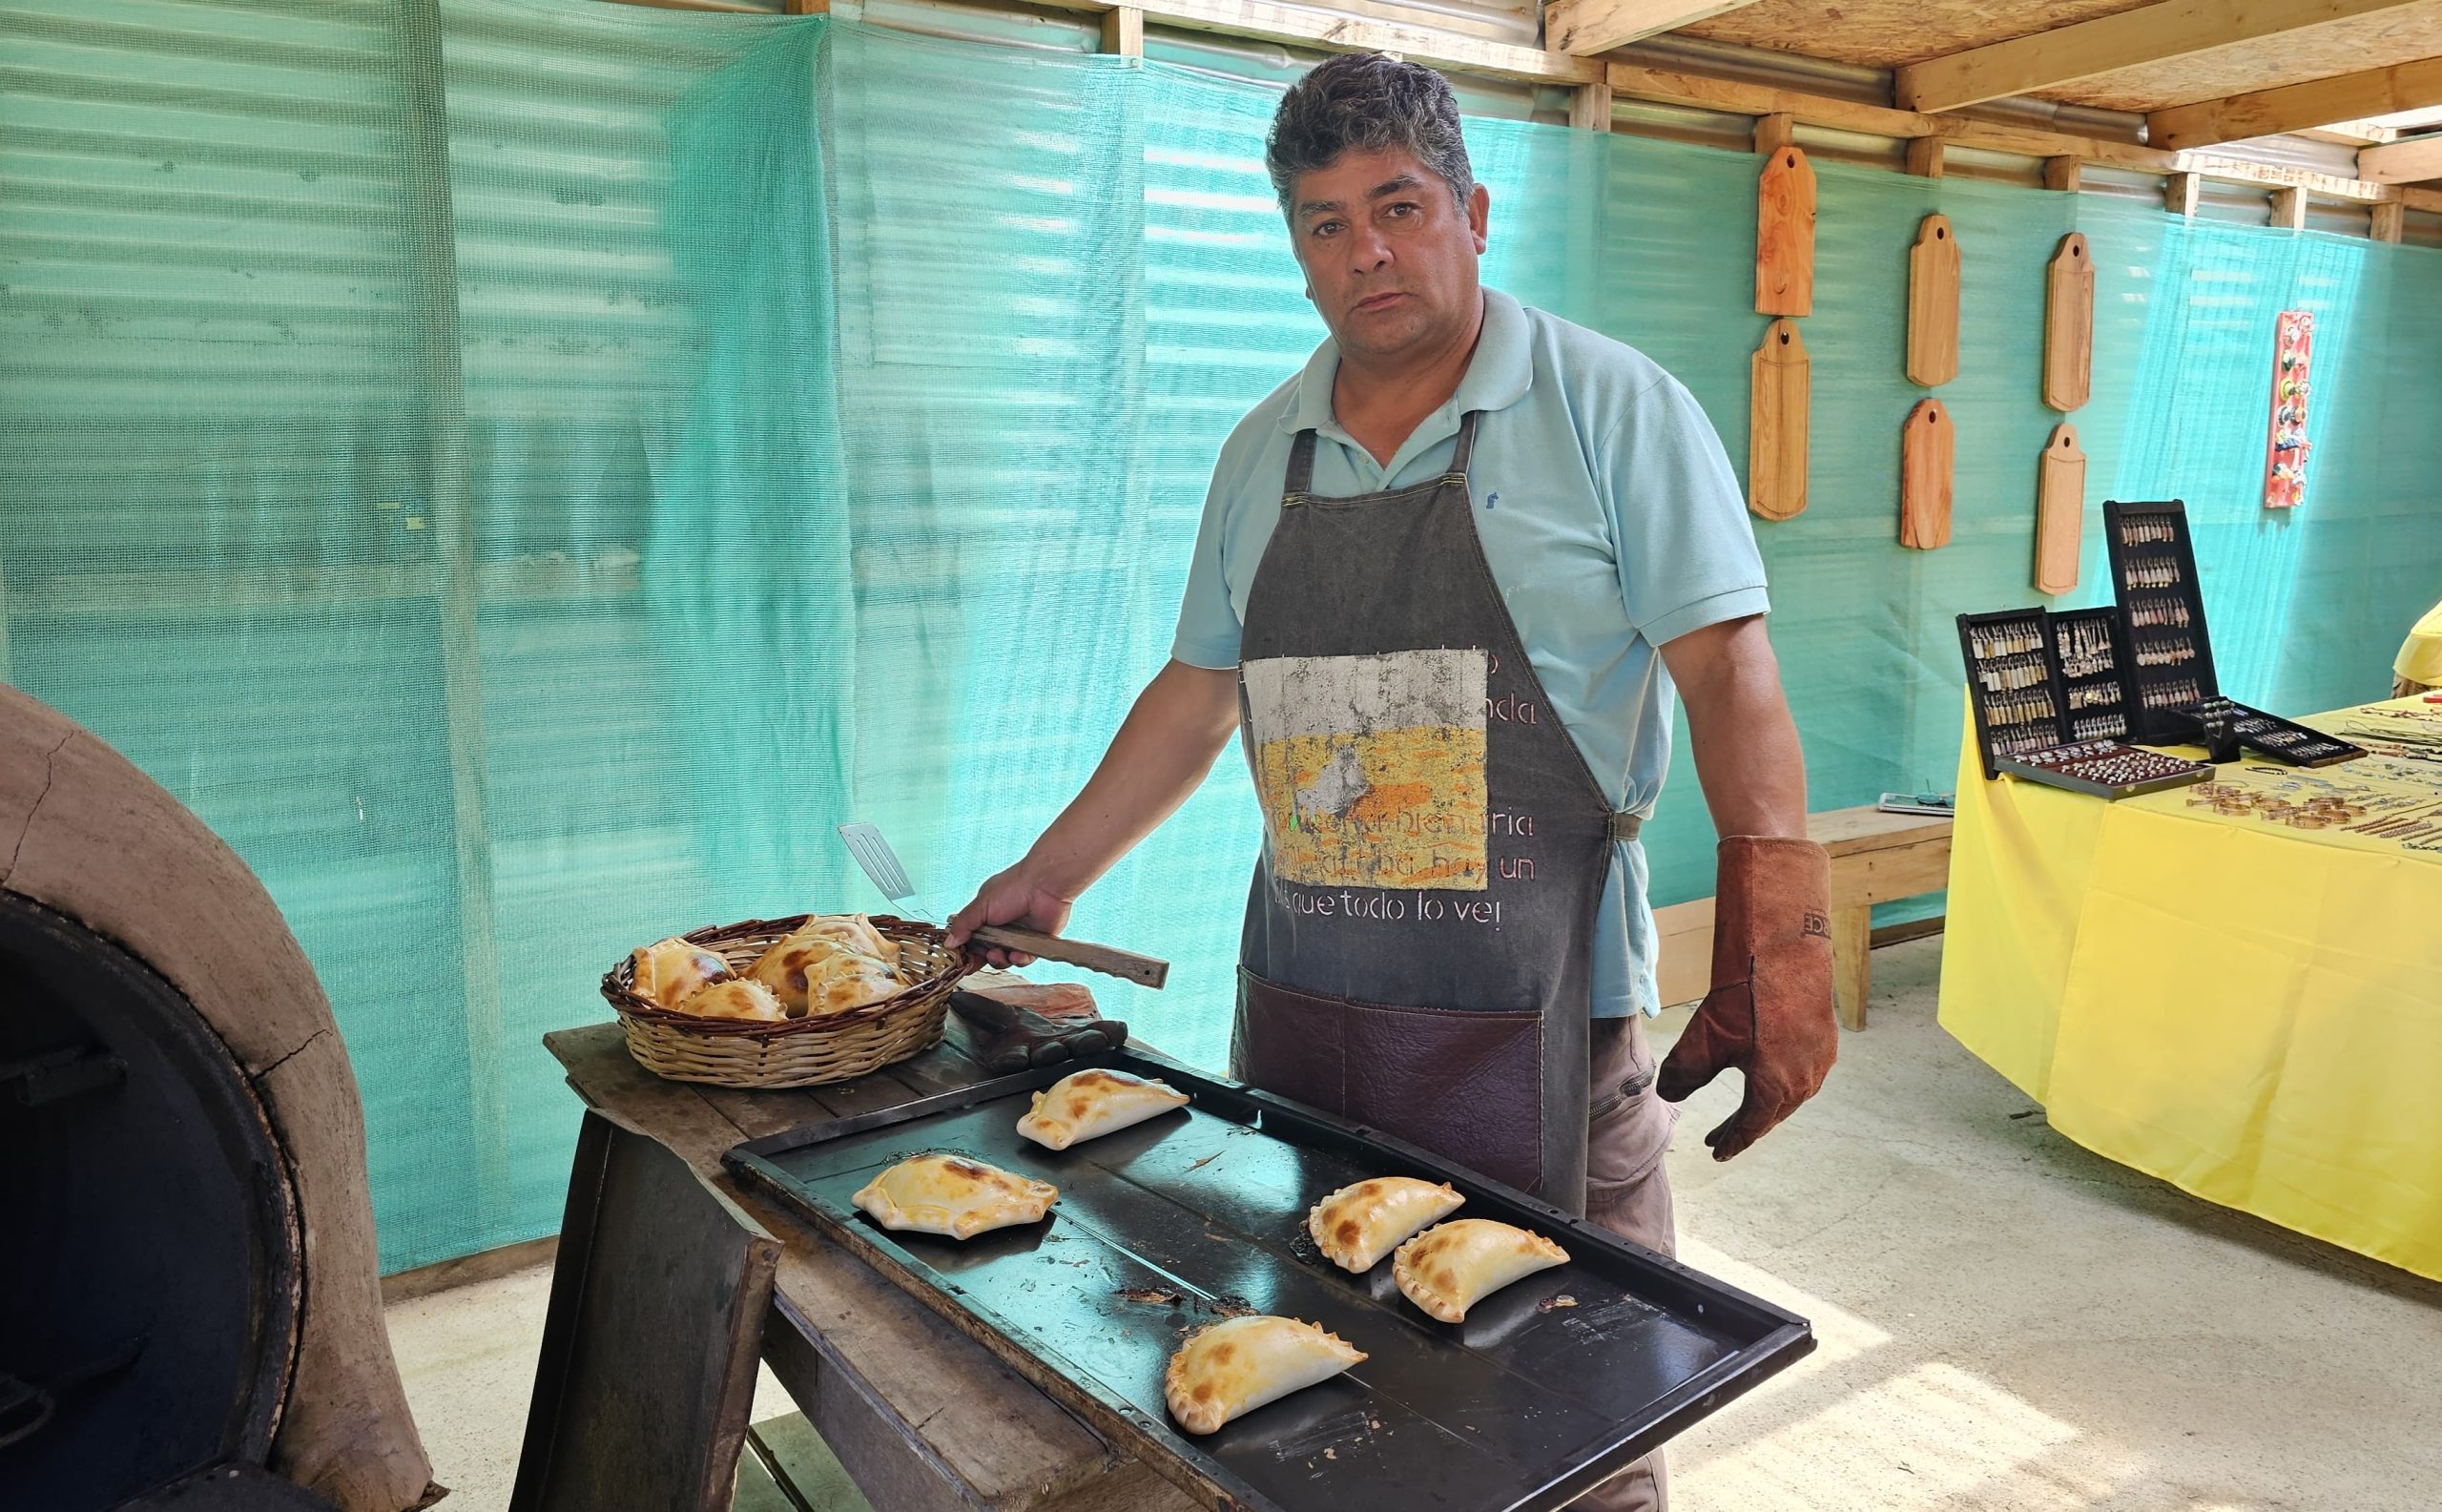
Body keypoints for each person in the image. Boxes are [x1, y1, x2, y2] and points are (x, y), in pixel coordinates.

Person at [951, 52, 1836, 1510]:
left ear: (1474, 211)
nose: (1367, 249)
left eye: (1399, 205)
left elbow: (1729, 668)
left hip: (1546, 1024)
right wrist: (1049, 878)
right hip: (1309, 1026)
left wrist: (1782, 926)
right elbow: (1197, 692)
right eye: (1323, 221)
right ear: (1294, 249)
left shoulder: (1610, 408)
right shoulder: (1262, 456)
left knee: (1566, 1419)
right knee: (1326, 1409)